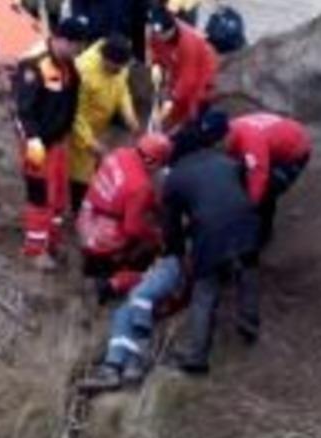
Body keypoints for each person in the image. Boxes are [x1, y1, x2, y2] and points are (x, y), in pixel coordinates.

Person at [161, 121, 261, 374]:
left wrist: (177, 254)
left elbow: (171, 226)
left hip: (210, 232)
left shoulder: (174, 178)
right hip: (246, 218)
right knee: (247, 269)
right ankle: (249, 322)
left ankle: (196, 357)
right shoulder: (225, 160)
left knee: (204, 291)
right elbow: (237, 186)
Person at [14, 17, 90, 269]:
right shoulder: (34, 65)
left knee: (58, 196)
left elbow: (69, 103)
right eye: (77, 46)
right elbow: (23, 111)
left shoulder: (69, 67)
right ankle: (35, 250)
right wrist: (34, 143)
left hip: (58, 142)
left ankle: (52, 241)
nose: (79, 52)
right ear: (62, 40)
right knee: (40, 195)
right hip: (37, 145)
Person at [77, 133, 172, 303]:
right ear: (154, 161)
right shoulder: (141, 186)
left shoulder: (119, 153)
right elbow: (132, 228)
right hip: (102, 236)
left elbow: (125, 189)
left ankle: (98, 264)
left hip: (87, 215)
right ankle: (111, 282)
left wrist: (155, 206)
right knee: (146, 249)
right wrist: (155, 236)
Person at [77, 255, 183, 393]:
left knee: (134, 303)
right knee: (123, 312)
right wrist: (115, 282)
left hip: (166, 294)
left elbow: (147, 284)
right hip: (155, 299)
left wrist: (116, 282)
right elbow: (144, 279)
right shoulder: (159, 268)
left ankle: (130, 364)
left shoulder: (172, 263)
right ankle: (115, 367)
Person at [69, 34, 140, 213]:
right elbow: (74, 113)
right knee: (79, 173)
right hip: (78, 128)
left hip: (98, 124)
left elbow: (122, 88)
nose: (119, 71)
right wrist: (89, 142)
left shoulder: (119, 66)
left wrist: (128, 114)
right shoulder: (82, 72)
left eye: (122, 68)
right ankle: (78, 207)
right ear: (105, 59)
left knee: (94, 164)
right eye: (116, 68)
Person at [226, 113, 312, 247]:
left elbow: (258, 177)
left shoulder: (252, 142)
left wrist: (249, 207)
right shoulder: (232, 128)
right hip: (275, 141)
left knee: (266, 192)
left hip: (293, 153)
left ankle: (262, 236)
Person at [146, 6, 217, 132]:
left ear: (171, 30)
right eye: (156, 34)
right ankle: (168, 127)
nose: (158, 37)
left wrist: (171, 98)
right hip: (176, 63)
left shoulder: (189, 43)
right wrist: (157, 68)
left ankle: (190, 128)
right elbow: (156, 54)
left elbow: (188, 79)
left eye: (162, 35)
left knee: (194, 101)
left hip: (202, 67)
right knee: (173, 101)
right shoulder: (155, 33)